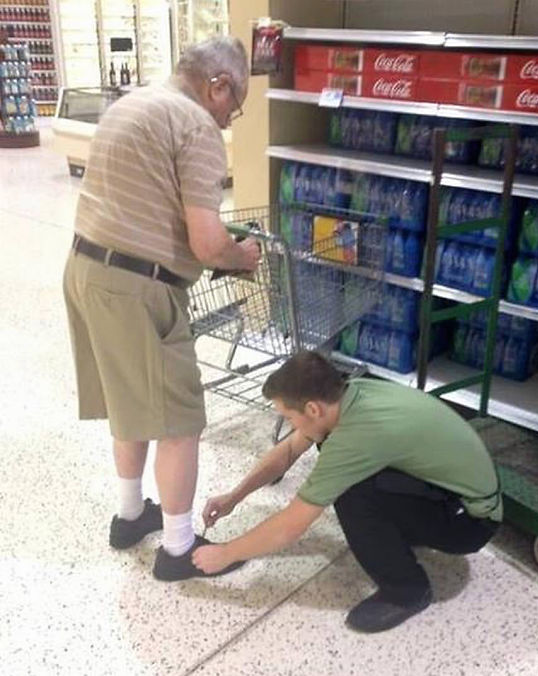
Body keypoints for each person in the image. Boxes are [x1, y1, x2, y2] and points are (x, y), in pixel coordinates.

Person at [63, 37, 260, 582]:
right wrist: (238, 256)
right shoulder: (196, 127)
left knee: (130, 404)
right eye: (234, 103)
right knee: (179, 422)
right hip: (137, 287)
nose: (229, 117)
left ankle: (131, 516)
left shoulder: (135, 102)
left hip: (86, 269)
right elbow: (205, 242)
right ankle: (178, 550)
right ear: (216, 85)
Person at [192, 351, 501, 633]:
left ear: (312, 408)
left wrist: (225, 554)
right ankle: (407, 533)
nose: (289, 424)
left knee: (353, 493)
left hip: (471, 522)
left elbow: (291, 525)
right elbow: (287, 452)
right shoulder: (349, 394)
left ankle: (407, 592)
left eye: (288, 416)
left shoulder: (355, 437)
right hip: (457, 493)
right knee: (350, 470)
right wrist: (235, 496)